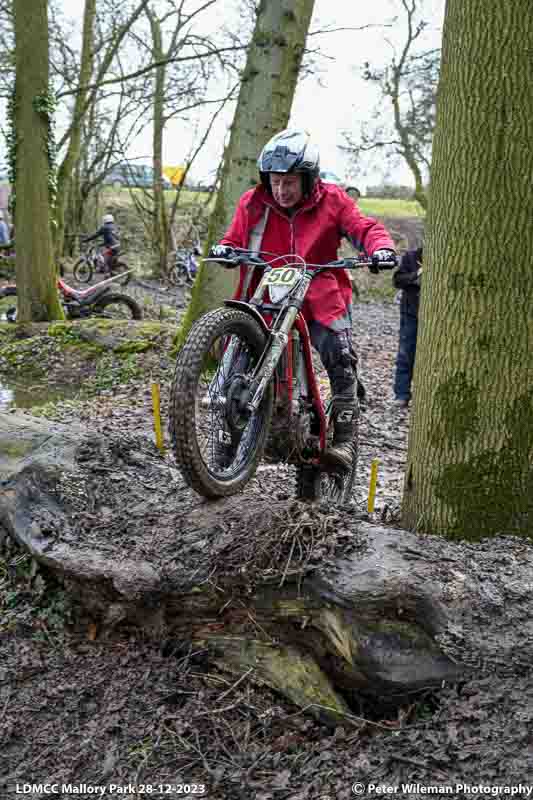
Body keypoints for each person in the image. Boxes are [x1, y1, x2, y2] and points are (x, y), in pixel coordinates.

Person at [208, 128, 397, 471]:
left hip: (319, 290)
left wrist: (380, 249)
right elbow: (234, 238)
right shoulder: (253, 201)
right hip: (267, 292)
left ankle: (345, 441)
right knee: (237, 368)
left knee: (339, 355)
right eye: (275, 181)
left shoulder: (334, 200)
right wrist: (225, 249)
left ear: (309, 179)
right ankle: (220, 461)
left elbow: (364, 228)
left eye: (289, 182)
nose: (281, 191)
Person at [392, 246, 423, 409]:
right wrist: (415, 276)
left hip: (432, 315)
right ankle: (401, 394)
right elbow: (397, 280)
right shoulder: (411, 257)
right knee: (406, 354)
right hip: (410, 312)